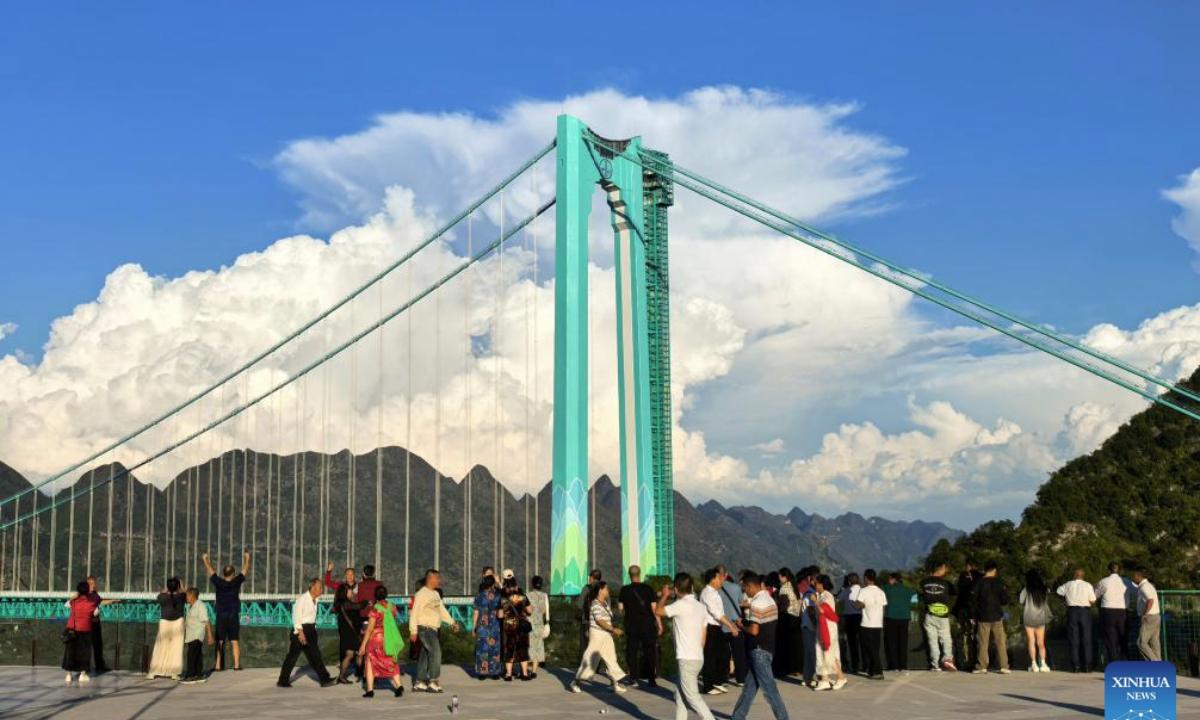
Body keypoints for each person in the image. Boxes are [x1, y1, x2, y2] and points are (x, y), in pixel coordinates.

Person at [655, 572, 716, 720]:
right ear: (692, 587)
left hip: (686, 658)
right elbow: (703, 636)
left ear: (676, 589)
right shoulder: (701, 607)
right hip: (697, 657)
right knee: (680, 695)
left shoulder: (680, 605)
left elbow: (658, 611)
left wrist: (664, 595)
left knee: (693, 698)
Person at [729, 571, 789, 720]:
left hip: (758, 650)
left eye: (744, 589)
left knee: (770, 690)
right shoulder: (770, 599)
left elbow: (754, 630)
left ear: (750, 587)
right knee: (749, 688)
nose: (744, 592)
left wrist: (741, 625)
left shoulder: (756, 602)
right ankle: (737, 716)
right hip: (769, 648)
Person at [277, 577, 337, 688]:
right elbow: (296, 617)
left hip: (311, 630)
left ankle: (325, 679)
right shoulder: (302, 599)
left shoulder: (316, 600)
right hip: (301, 631)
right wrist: (300, 633)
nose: (322, 590)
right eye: (320, 587)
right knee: (292, 657)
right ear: (313, 588)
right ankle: (282, 680)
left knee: (316, 656)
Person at [570, 580, 628, 694]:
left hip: (606, 634)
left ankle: (615, 684)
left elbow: (606, 619)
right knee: (590, 658)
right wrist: (613, 629)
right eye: (606, 588)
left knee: (611, 658)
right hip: (597, 634)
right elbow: (599, 620)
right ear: (600, 591)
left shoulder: (605, 603)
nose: (608, 591)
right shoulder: (595, 603)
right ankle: (576, 682)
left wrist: (610, 630)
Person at [410, 569, 460, 693]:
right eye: (437, 578)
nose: (439, 581)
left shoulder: (436, 594)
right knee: (436, 652)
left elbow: (442, 610)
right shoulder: (421, 593)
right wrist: (413, 630)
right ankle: (433, 681)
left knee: (425, 655)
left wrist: (452, 622)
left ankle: (420, 682)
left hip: (433, 629)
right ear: (430, 579)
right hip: (425, 628)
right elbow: (414, 612)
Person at [203, 551, 249, 671]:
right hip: (233, 615)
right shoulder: (236, 581)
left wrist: (205, 559)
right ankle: (236, 665)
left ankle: (218, 666)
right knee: (234, 640)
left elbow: (211, 571)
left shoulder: (218, 582)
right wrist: (247, 559)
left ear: (223, 574)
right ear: (233, 574)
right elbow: (245, 571)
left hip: (221, 615)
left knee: (219, 641)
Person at [358, 585, 405, 698]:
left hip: (376, 639)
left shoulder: (375, 609)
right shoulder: (392, 607)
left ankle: (370, 690)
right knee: (391, 661)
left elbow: (369, 629)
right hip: (389, 638)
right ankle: (399, 686)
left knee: (370, 661)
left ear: (375, 596)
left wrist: (363, 645)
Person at [617, 564, 659, 688]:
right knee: (650, 651)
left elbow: (620, 608)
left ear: (629, 575)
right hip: (647, 624)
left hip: (631, 624)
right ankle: (651, 679)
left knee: (632, 651)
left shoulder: (624, 590)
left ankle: (633, 678)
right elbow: (654, 608)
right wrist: (659, 624)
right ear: (639, 574)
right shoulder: (648, 588)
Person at [699, 567, 739, 694]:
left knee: (724, 654)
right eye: (718, 578)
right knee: (710, 657)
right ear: (712, 580)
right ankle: (708, 686)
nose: (721, 580)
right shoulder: (707, 593)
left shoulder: (715, 592)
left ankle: (718, 681)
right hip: (710, 628)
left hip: (717, 628)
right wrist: (731, 626)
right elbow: (717, 614)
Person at [971, 560, 1010, 674]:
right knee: (1000, 642)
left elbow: (972, 600)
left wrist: (972, 615)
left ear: (985, 570)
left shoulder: (979, 582)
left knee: (983, 642)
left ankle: (982, 666)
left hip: (983, 616)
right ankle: (1004, 666)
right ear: (994, 570)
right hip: (997, 616)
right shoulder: (999, 582)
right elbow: (1005, 600)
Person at [919, 561, 958, 672]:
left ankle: (935, 664)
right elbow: (954, 592)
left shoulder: (924, 582)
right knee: (946, 639)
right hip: (943, 615)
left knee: (932, 641)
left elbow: (922, 590)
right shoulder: (946, 583)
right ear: (941, 569)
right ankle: (948, 659)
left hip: (929, 615)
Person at [1057, 568, 1097, 673]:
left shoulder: (1068, 584)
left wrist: (1067, 597)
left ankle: (1076, 666)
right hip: (1084, 611)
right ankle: (1087, 666)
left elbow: (1058, 591)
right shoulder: (1088, 585)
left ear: (1075, 575)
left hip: (1072, 611)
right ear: (1083, 575)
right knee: (1086, 639)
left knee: (1074, 640)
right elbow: (1093, 600)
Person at [812, 574, 847, 691]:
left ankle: (841, 677)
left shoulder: (827, 596)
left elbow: (823, 610)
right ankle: (825, 680)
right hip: (821, 627)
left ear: (821, 584)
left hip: (828, 627)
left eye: (816, 582)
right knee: (820, 653)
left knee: (829, 653)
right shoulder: (821, 595)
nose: (814, 584)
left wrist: (815, 602)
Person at [147, 577, 186, 680]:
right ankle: (174, 673)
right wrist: (182, 587)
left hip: (164, 622)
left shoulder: (161, 597)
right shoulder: (181, 596)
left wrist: (166, 590)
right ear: (178, 586)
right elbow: (187, 593)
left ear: (168, 587)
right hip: (178, 622)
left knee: (160, 646)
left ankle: (153, 671)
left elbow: (159, 595)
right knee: (176, 647)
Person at [63, 580, 99, 684]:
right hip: (85, 630)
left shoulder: (73, 602)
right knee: (84, 653)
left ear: (78, 591)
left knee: (70, 652)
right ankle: (82, 675)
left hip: (72, 630)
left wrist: (74, 597)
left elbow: (66, 605)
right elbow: (96, 613)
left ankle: (68, 675)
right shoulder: (91, 604)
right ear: (87, 591)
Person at [718, 565, 748, 687]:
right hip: (736, 625)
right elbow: (741, 602)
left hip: (721, 626)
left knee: (722, 654)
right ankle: (741, 679)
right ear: (726, 575)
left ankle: (722, 679)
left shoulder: (714, 589)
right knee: (739, 654)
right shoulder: (736, 587)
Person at [1096, 562, 1131, 665]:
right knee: (1123, 637)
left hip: (1108, 611)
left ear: (1108, 570)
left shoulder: (1104, 581)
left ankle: (1114, 663)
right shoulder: (1127, 582)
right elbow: (1137, 591)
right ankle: (1124, 661)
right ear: (1119, 570)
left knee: (1111, 639)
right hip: (1123, 611)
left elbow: (1095, 595)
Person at [855, 569, 887, 679]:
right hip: (878, 624)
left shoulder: (863, 591)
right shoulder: (881, 591)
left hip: (867, 623)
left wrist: (857, 604)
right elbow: (883, 607)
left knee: (868, 648)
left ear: (865, 578)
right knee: (875, 648)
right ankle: (872, 670)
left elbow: (859, 605)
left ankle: (878, 670)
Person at [499, 577, 532, 681]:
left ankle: (508, 675)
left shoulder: (503, 599)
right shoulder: (523, 597)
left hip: (509, 627)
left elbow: (499, 615)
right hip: (522, 627)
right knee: (522, 649)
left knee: (509, 649)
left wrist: (506, 613)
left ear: (506, 587)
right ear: (515, 586)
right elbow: (530, 611)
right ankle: (525, 674)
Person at [1019, 569, 1052, 673]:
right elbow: (1047, 599)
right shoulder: (1045, 589)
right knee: (1041, 642)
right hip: (1040, 618)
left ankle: (1034, 664)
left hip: (1029, 617)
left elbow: (1021, 601)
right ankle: (1043, 663)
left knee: (1031, 641)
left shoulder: (1026, 589)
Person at [882, 572, 916, 673]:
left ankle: (893, 665)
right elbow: (914, 591)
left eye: (889, 579)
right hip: (904, 618)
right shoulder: (907, 590)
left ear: (893, 579)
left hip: (891, 617)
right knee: (903, 642)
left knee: (891, 643)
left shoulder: (887, 588)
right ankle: (903, 665)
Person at [333, 583, 366, 683]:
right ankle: (342, 677)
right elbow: (358, 606)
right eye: (350, 590)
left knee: (356, 654)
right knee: (352, 654)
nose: (352, 592)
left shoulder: (342, 603)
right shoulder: (346, 603)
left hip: (347, 632)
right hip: (349, 633)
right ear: (345, 592)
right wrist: (366, 602)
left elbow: (354, 616)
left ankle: (365, 674)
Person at [180, 588, 214, 684]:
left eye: (187, 595)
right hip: (191, 634)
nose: (186, 597)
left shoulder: (201, 606)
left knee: (191, 655)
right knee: (197, 655)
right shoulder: (191, 606)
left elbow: (206, 621)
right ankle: (199, 675)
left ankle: (191, 675)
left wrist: (210, 636)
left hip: (197, 634)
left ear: (192, 595)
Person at [472, 575, 502, 679]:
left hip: (482, 626)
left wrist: (473, 627)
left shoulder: (478, 596)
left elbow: (475, 613)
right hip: (495, 625)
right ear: (493, 584)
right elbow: (507, 597)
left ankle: (482, 673)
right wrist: (499, 583)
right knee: (494, 649)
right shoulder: (498, 595)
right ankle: (495, 673)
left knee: (482, 649)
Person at [954, 561, 982, 671]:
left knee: (965, 636)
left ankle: (966, 661)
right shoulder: (982, 577)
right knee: (977, 637)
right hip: (978, 612)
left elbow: (961, 593)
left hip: (964, 611)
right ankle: (977, 661)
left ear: (968, 566)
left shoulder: (963, 576)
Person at [775, 567, 801, 678]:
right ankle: (797, 668)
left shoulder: (783, 589)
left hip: (787, 618)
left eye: (780, 576)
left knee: (785, 645)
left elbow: (783, 605)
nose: (779, 579)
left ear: (784, 577)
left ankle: (786, 668)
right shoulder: (794, 586)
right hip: (796, 617)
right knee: (795, 645)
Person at [796, 567, 820, 687]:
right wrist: (817, 626)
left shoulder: (807, 592)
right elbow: (811, 611)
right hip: (810, 628)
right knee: (812, 653)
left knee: (809, 653)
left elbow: (802, 612)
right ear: (811, 580)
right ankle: (811, 677)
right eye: (817, 580)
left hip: (805, 626)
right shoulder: (811, 594)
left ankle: (807, 677)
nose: (818, 583)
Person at [1133, 566, 1161, 661]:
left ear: (1138, 575)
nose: (1133, 578)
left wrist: (1145, 614)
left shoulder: (1144, 587)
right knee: (1154, 643)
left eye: (1134, 576)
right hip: (1156, 616)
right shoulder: (1149, 586)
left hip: (1149, 617)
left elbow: (1150, 600)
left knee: (1141, 643)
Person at [837, 573, 862, 675]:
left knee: (852, 643)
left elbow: (838, 598)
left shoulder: (847, 590)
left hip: (850, 617)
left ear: (849, 581)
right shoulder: (862, 590)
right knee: (862, 642)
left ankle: (855, 666)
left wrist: (843, 586)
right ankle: (865, 665)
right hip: (861, 617)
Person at [576, 569, 602, 663]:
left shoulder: (586, 588)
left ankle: (584, 667)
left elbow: (579, 604)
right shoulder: (603, 588)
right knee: (597, 645)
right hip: (600, 623)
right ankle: (596, 667)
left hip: (586, 621)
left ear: (592, 577)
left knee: (585, 645)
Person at [527, 575, 549, 678]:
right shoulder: (544, 596)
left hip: (530, 623)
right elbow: (544, 611)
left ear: (532, 584)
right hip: (540, 623)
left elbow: (527, 610)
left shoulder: (528, 595)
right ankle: (534, 671)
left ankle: (525, 670)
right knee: (538, 646)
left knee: (529, 646)